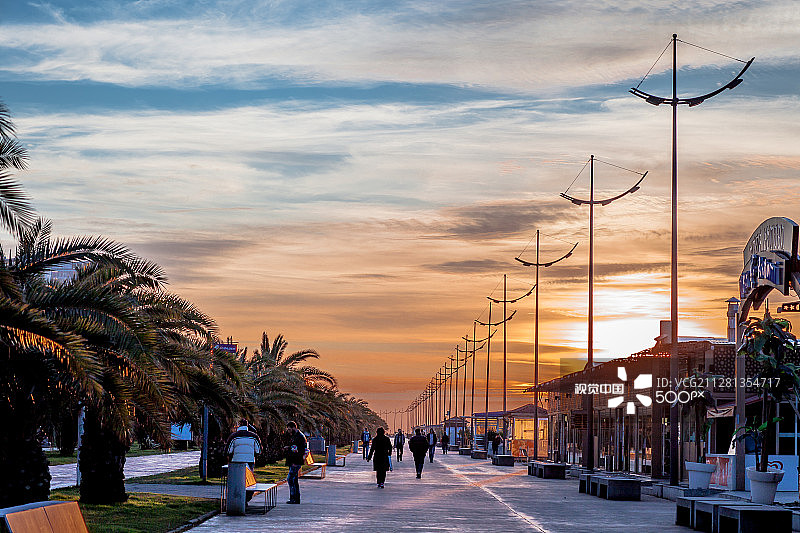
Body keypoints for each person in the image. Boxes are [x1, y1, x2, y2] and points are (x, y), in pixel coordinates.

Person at [283, 421, 307, 504]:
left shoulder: (299, 437)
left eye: (289, 429)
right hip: (293, 460)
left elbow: (299, 450)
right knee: (294, 480)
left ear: (293, 427)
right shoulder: (295, 436)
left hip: (296, 461)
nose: (288, 431)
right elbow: (294, 447)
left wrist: (295, 461)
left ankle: (294, 498)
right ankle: (295, 498)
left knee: (290, 479)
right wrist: (289, 448)